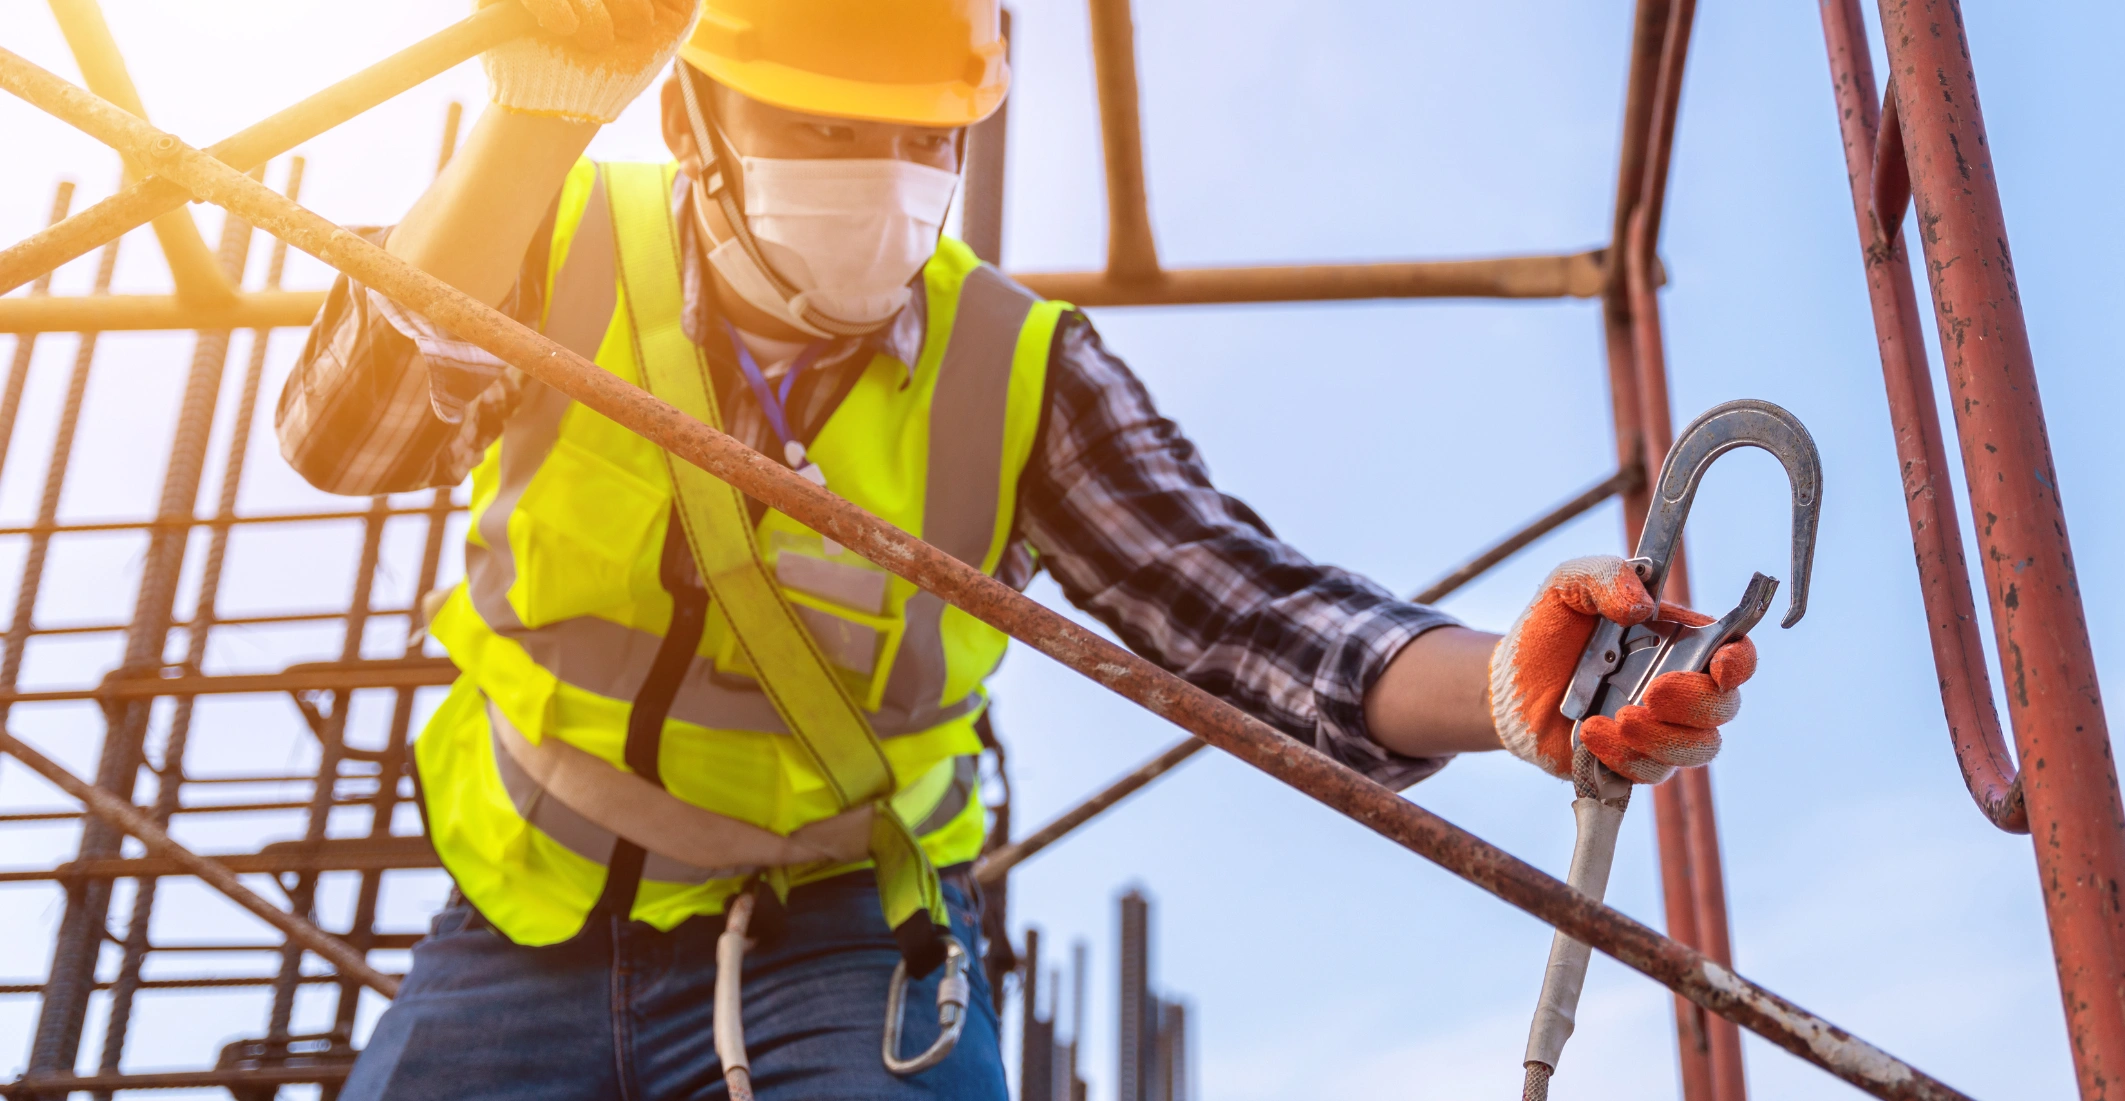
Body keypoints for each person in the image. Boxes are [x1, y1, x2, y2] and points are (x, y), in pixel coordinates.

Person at [276, 1, 1759, 1097]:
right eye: (825, 129)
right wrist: (531, 123)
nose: (882, 178)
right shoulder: (552, 241)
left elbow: (1243, 611)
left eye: (922, 138)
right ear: (694, 124)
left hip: (849, 934)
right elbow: (346, 438)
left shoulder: (1019, 369)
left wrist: (1509, 684)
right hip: (530, 908)